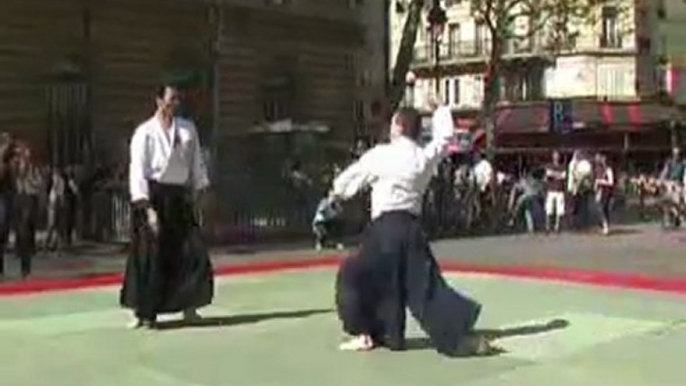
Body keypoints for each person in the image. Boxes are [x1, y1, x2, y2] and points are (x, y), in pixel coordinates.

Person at [330, 104, 494, 356]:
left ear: (397, 126)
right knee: (425, 287)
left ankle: (370, 333)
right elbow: (444, 139)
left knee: (356, 277)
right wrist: (441, 110)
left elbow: (345, 184)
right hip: (411, 229)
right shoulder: (423, 157)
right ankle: (462, 339)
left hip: (383, 230)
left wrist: (338, 189)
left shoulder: (381, 155)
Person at [120, 83, 214, 329]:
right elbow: (137, 171)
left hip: (179, 196)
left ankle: (189, 305)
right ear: (159, 101)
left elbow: (196, 164)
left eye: (177, 99)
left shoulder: (187, 130)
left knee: (190, 250)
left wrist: (199, 193)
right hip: (153, 195)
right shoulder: (144, 132)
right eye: (171, 99)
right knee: (149, 254)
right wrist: (146, 207)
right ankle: (143, 311)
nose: (175, 103)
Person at [12, 143, 41, 279]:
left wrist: (30, 182)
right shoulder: (15, 167)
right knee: (20, 230)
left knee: (25, 230)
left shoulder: (33, 169)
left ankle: (26, 265)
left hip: (28, 198)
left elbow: (38, 184)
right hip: (19, 197)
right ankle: (22, 255)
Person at [545, 151, 567, 233]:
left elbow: (563, 176)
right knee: (549, 209)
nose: (556, 157)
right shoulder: (549, 165)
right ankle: (547, 226)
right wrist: (558, 175)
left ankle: (557, 227)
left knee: (560, 209)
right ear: (552, 157)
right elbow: (548, 174)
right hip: (551, 190)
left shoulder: (562, 166)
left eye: (557, 155)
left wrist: (554, 174)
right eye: (555, 155)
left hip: (560, 190)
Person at [593, 153, 614, 235]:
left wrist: (600, 182)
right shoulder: (598, 170)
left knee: (603, 208)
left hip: (606, 191)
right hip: (600, 191)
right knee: (599, 206)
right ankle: (604, 224)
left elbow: (610, 182)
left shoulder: (608, 170)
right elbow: (597, 179)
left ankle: (605, 224)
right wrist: (596, 185)